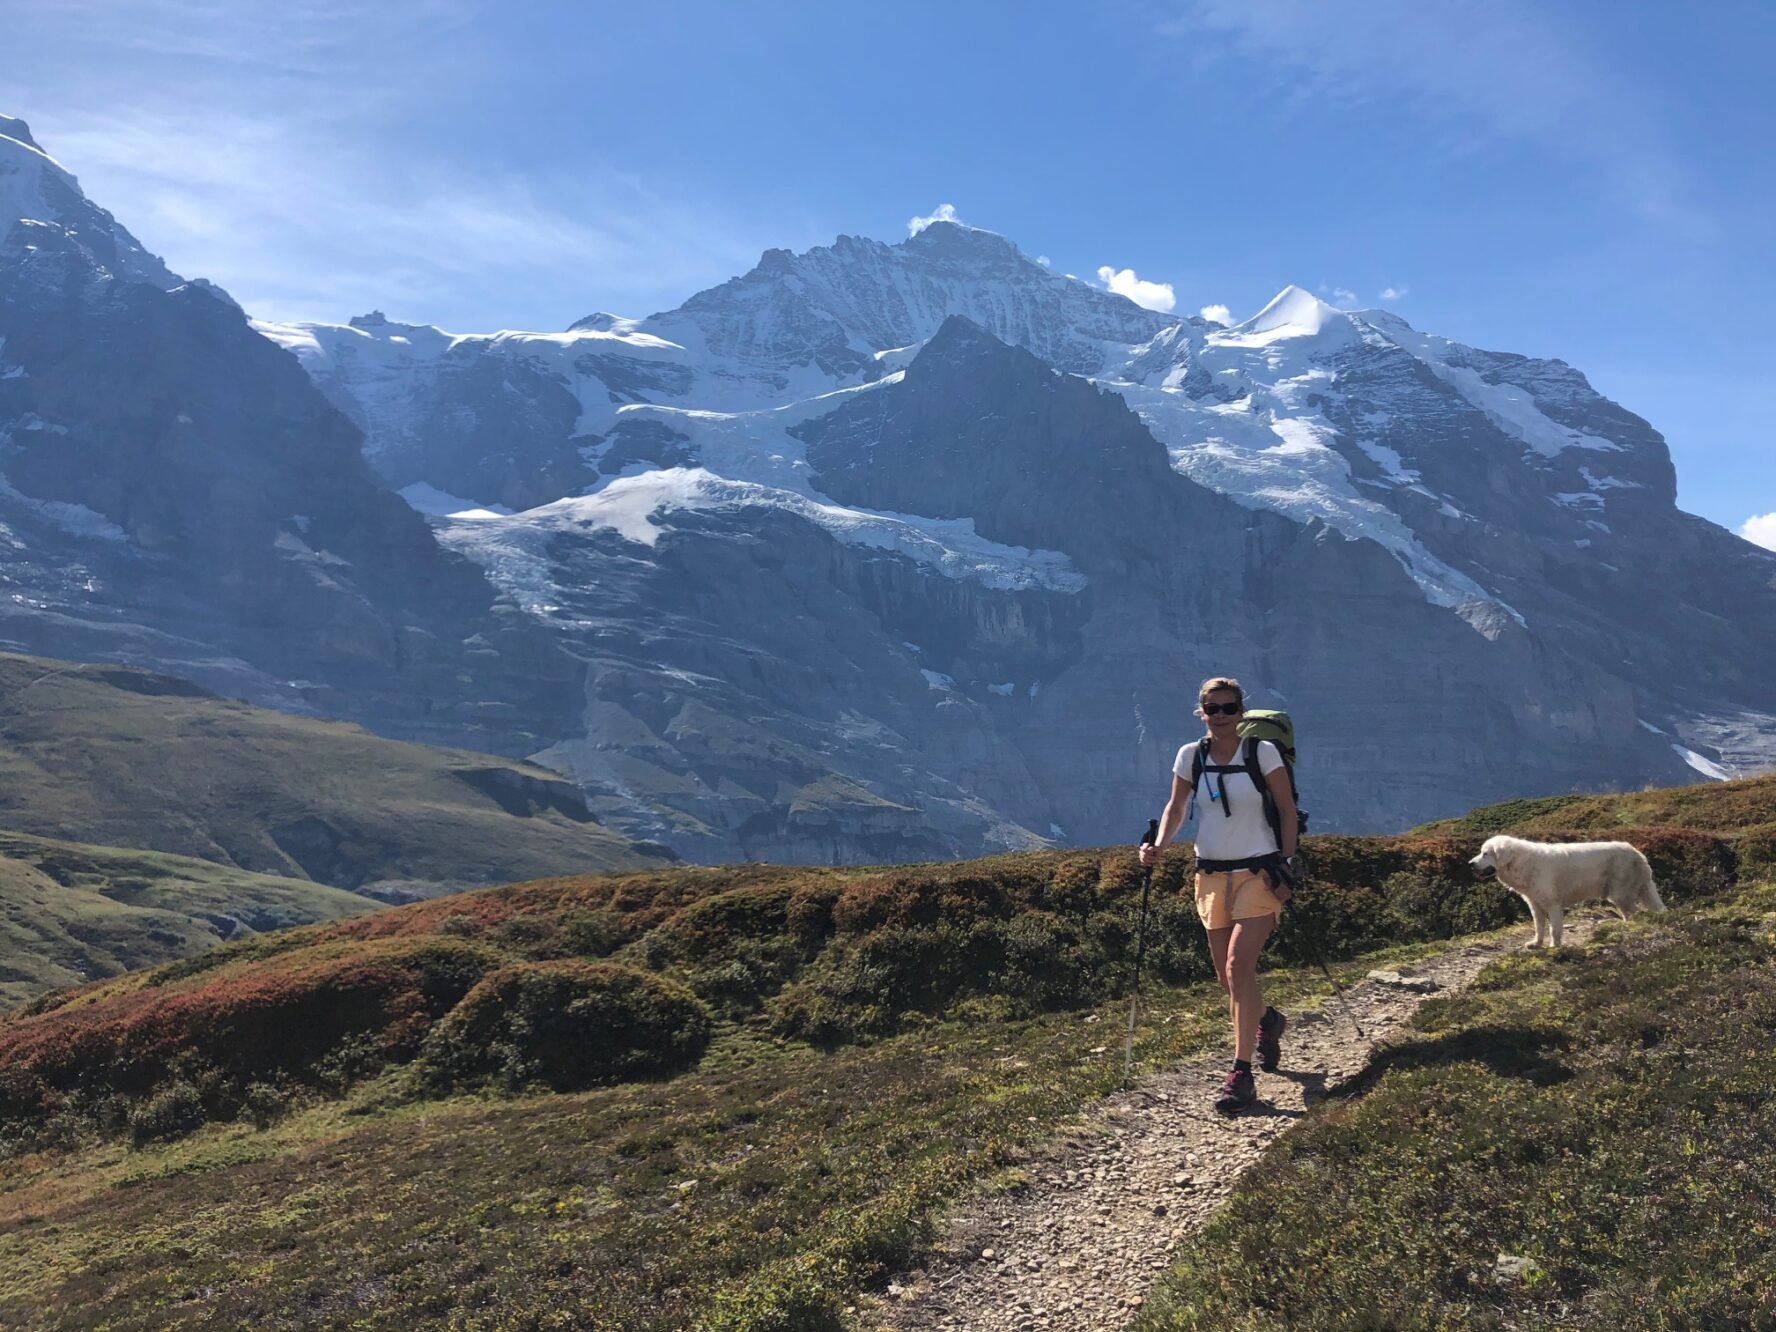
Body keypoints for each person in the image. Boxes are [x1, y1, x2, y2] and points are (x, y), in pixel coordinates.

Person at [1138, 676, 1299, 1114]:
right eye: (1213, 709)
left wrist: (1287, 862)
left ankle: (1240, 1073)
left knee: (1236, 966)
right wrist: (1157, 848)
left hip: (1259, 874)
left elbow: (1286, 810)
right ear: (1202, 712)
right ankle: (1268, 1021)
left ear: (1241, 712)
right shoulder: (1190, 756)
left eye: (1229, 708)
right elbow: (1176, 808)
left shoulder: (1262, 753)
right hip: (1210, 876)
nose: (1222, 716)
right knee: (1229, 980)